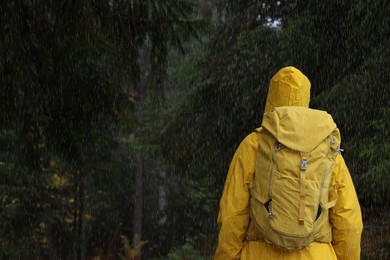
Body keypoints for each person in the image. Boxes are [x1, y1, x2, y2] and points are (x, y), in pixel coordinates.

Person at [214, 66, 363, 260]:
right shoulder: (326, 148)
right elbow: (348, 220)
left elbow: (232, 216)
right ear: (305, 100)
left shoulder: (254, 144)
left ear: (271, 98)